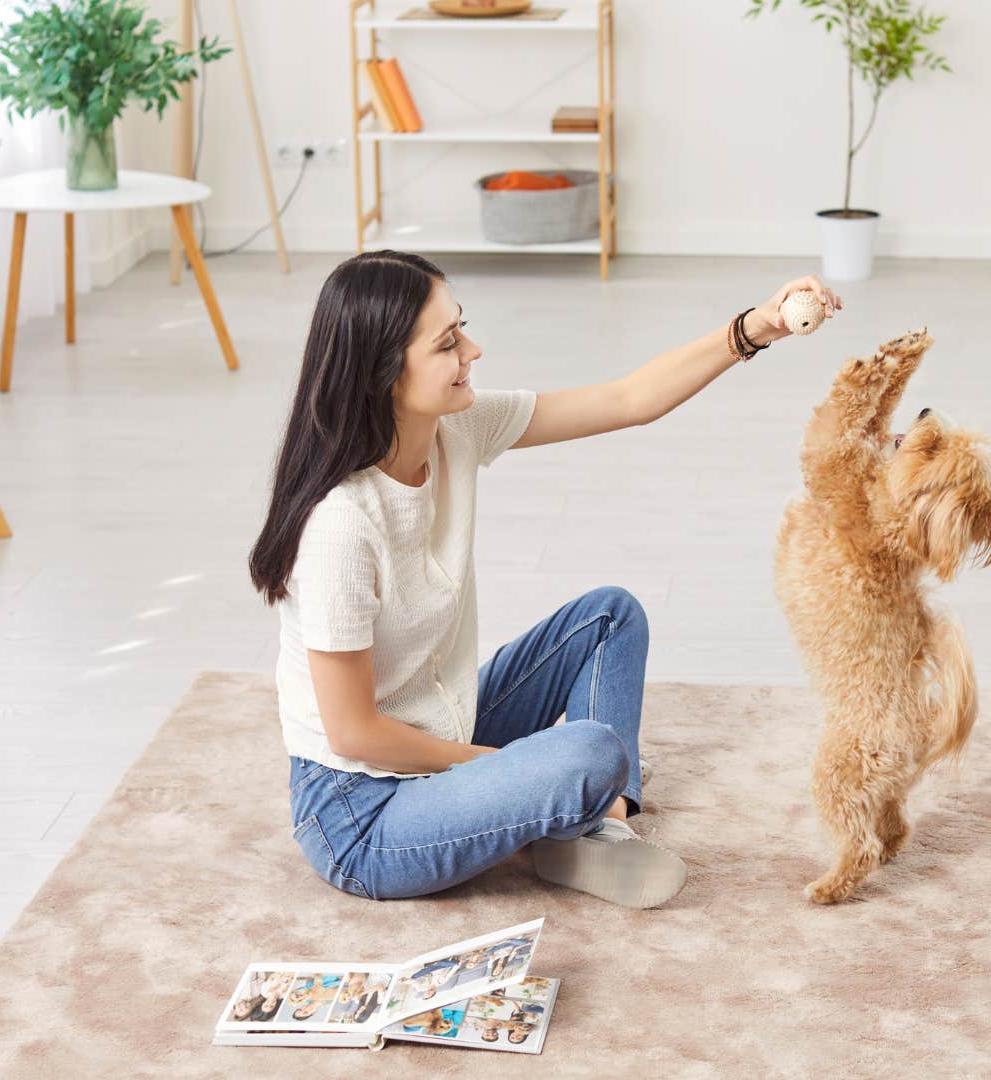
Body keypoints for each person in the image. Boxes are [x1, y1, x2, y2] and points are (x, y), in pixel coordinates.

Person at [253, 250, 842, 908]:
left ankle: (592, 828)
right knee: (590, 753)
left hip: (439, 732)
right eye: (448, 342)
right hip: (361, 816)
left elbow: (627, 400)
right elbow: (353, 734)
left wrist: (756, 327)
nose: (472, 350)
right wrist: (513, 768)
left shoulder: (457, 427)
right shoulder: (340, 526)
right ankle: (585, 814)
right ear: (385, 373)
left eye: (462, 328)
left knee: (610, 617)